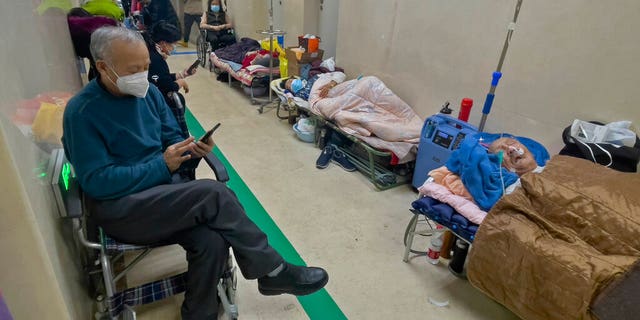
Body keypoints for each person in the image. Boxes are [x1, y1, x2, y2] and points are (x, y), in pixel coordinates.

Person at [62, 26, 328, 320]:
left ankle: (199, 313)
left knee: (211, 240)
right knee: (214, 194)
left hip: (164, 195)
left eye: (146, 67)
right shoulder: (82, 112)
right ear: (103, 67)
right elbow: (98, 183)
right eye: (133, 69)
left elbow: (173, 137)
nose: (142, 76)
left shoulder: (148, 93)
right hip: (123, 207)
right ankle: (272, 270)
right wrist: (162, 165)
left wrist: (190, 151)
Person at [144, 20, 194, 136]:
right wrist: (180, 83)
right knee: (177, 99)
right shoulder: (156, 59)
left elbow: (162, 77)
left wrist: (182, 74)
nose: (174, 47)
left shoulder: (152, 52)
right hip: (152, 100)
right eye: (173, 43)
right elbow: (167, 86)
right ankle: (179, 133)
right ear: (163, 43)